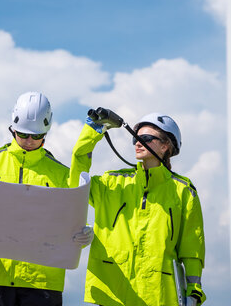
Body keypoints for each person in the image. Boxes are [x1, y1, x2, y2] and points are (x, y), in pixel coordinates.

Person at [0, 91, 93, 306]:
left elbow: (71, 221)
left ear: (46, 132)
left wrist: (81, 235)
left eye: (36, 136)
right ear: (12, 128)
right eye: (23, 134)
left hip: (42, 283)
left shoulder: (62, 175)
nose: (29, 141)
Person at [70, 111, 206, 305]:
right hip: (111, 294)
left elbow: (192, 249)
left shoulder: (183, 192)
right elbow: (76, 183)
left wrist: (193, 292)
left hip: (158, 296)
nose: (138, 143)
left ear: (166, 145)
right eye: (135, 139)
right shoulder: (111, 183)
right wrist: (91, 134)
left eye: (146, 138)